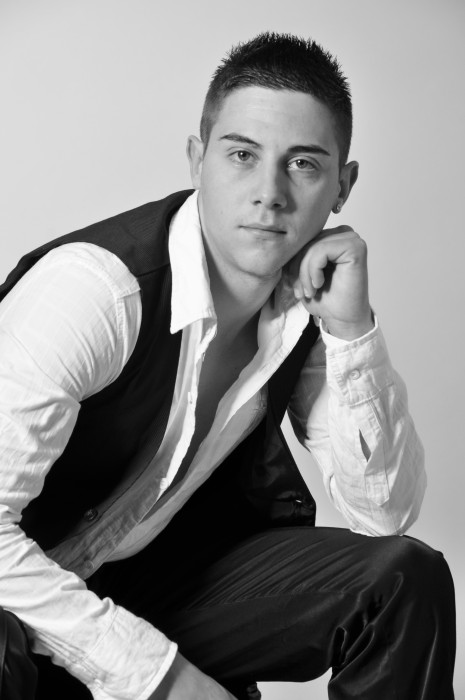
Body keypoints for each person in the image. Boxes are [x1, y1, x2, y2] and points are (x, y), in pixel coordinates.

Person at [0, 32, 455, 700]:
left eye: (303, 164)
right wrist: (167, 679)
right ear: (198, 159)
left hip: (138, 585)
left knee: (402, 580)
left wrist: (351, 330)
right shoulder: (98, 292)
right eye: (242, 155)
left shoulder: (306, 310)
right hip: (14, 602)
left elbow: (384, 516)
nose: (269, 193)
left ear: (343, 185)